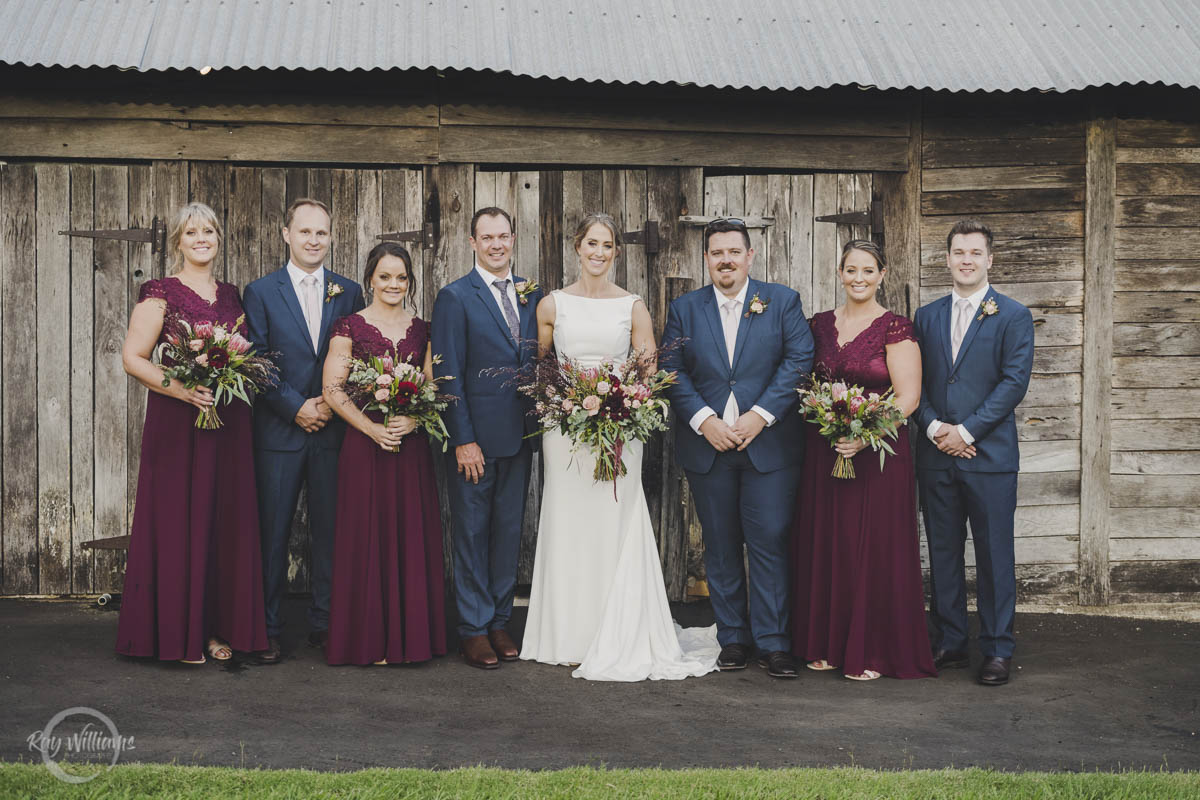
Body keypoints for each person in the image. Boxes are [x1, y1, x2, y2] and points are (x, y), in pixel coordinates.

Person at [520, 214, 719, 681]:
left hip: (620, 426)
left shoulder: (632, 306)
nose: (599, 252)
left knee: (614, 517)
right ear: (577, 246)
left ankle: (619, 629)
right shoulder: (552, 304)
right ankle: (569, 635)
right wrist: (566, 403)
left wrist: (623, 402)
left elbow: (647, 370)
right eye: (592, 243)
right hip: (565, 430)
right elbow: (544, 367)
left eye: (607, 245)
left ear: (615, 252)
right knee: (568, 519)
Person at [661, 218, 814, 679]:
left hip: (768, 446)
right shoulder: (685, 308)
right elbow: (672, 368)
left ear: (750, 256)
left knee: (768, 542)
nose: (725, 260)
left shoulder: (783, 301)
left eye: (733, 251)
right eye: (716, 253)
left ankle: (773, 642)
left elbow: (799, 360)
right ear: (706, 259)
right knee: (721, 546)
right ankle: (733, 639)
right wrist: (704, 420)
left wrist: (760, 415)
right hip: (708, 446)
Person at [115, 202, 268, 664]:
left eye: (209, 231)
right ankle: (178, 634)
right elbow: (133, 358)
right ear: (178, 241)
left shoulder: (231, 295)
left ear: (219, 238)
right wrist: (182, 391)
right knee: (180, 521)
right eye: (192, 232)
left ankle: (215, 629)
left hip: (228, 424)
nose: (201, 238)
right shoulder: (159, 292)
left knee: (223, 522)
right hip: (178, 422)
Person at [790, 240, 936, 681]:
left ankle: (871, 649)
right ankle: (826, 643)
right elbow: (805, 381)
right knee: (828, 540)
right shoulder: (817, 325)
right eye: (851, 270)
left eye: (868, 271)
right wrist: (833, 428)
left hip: (879, 452)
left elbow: (908, 398)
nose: (859, 278)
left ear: (882, 275)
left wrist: (865, 433)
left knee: (870, 546)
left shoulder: (896, 327)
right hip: (824, 449)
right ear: (839, 273)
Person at [242, 198, 365, 664]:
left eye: (322, 233)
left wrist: (331, 406)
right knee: (272, 535)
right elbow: (256, 358)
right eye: (305, 232)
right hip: (279, 432)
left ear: (331, 237)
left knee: (331, 533)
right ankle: (268, 627)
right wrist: (295, 407)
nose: (314, 240)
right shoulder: (260, 291)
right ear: (286, 234)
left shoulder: (348, 291)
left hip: (334, 432)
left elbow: (357, 356)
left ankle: (326, 623)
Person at [914, 219, 1034, 687]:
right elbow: (914, 382)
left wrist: (966, 431)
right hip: (936, 454)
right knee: (943, 551)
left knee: (994, 554)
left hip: (989, 458)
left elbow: (1013, 384)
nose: (966, 260)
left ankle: (998, 649)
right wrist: (934, 426)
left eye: (975, 253)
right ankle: (950, 640)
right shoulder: (925, 316)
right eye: (958, 252)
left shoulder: (1013, 315)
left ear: (990, 259)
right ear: (946, 259)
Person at [321, 243, 446, 665]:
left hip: (409, 448)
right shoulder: (348, 326)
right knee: (365, 536)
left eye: (402, 278)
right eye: (385, 276)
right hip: (364, 444)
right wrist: (372, 429)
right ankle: (367, 639)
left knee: (409, 535)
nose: (394, 284)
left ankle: (410, 640)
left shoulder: (424, 329)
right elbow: (333, 390)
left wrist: (415, 420)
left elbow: (432, 385)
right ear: (370, 279)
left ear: (409, 282)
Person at [431, 207, 542, 669]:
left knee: (507, 532)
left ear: (513, 239)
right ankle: (473, 628)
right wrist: (462, 439)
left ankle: (499, 620)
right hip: (474, 438)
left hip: (520, 434)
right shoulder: (455, 297)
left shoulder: (532, 293)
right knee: (473, 533)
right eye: (487, 237)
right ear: (472, 242)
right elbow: (447, 373)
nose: (496, 245)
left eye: (503, 236)